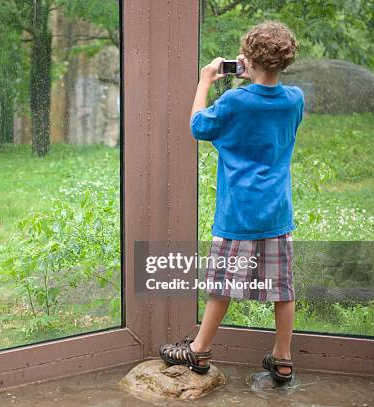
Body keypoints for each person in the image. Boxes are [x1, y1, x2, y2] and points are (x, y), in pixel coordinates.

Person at [158, 21, 304, 383]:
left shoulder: (235, 100)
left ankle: (199, 351)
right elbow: (268, 111)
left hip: (237, 213)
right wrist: (255, 75)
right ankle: (282, 359)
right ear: (284, 62)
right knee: (283, 290)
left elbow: (198, 126)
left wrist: (206, 80)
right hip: (276, 213)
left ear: (248, 61)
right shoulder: (295, 99)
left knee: (221, 285)